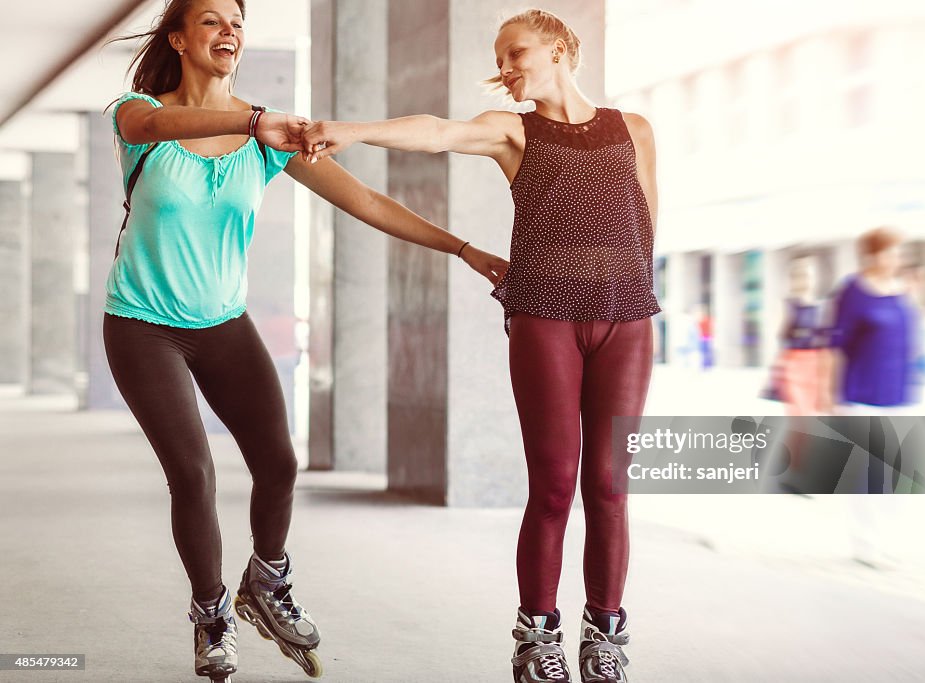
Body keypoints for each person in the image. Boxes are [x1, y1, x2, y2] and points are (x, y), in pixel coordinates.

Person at [104, 1, 507, 680]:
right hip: (142, 324)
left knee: (280, 463)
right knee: (194, 473)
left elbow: (366, 201)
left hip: (223, 323)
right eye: (210, 19)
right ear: (178, 36)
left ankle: (266, 582)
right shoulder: (140, 114)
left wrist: (463, 248)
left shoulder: (267, 140)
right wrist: (256, 119)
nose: (229, 30)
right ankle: (210, 615)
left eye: (236, 21)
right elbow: (154, 121)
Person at [301, 8, 659, 682]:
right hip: (545, 318)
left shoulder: (633, 130)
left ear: (559, 48)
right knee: (553, 487)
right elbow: (437, 132)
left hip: (627, 322)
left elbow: (649, 226)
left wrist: (637, 304)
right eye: (500, 57)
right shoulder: (513, 133)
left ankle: (605, 633)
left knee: (610, 486)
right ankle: (537, 634)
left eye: (515, 52)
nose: (506, 68)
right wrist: (349, 130)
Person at [822, 227, 920, 567]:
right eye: (891, 252)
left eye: (899, 252)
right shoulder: (852, 291)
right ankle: (866, 543)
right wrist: (832, 394)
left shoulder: (903, 291)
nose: (898, 259)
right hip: (862, 394)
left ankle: (887, 539)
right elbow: (835, 347)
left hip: (900, 393)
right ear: (872, 255)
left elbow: (911, 343)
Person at [779, 255, 825, 416]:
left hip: (817, 363)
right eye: (801, 276)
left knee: (813, 412)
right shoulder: (789, 305)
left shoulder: (822, 306)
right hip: (795, 362)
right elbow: (782, 335)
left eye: (809, 276)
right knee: (798, 412)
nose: (806, 280)